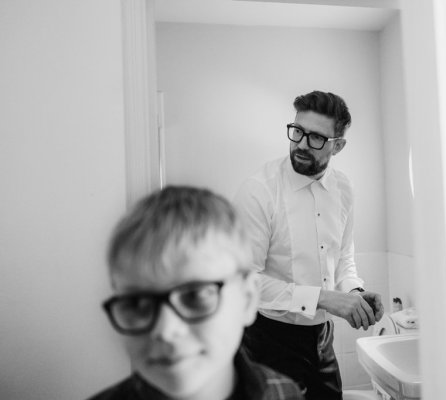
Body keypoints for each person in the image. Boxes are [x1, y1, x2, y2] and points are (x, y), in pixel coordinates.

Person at [233, 90, 384, 399]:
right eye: (297, 131)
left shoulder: (343, 189)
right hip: (269, 341)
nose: (301, 144)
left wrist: (354, 294)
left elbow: (344, 258)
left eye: (316, 138)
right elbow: (245, 281)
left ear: (338, 146)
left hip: (322, 339)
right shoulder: (259, 190)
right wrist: (326, 299)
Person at [88, 186, 304, 400]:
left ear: (247, 300)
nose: (166, 330)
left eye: (195, 296)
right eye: (136, 304)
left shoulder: (285, 393)